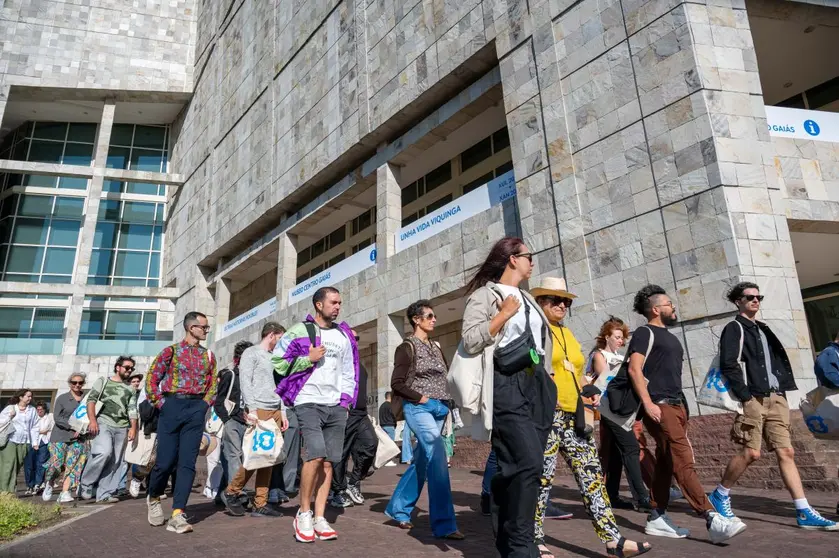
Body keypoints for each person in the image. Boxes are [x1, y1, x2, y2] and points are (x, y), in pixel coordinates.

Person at [531, 279, 651, 558]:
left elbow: (577, 372)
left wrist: (591, 389)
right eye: (555, 300)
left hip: (575, 414)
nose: (562, 305)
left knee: (592, 476)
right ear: (540, 302)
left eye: (566, 301)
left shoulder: (567, 333)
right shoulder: (535, 330)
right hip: (547, 414)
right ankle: (533, 539)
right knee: (542, 479)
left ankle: (613, 541)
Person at [708, 282, 837, 530]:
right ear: (738, 301)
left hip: (777, 397)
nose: (756, 300)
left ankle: (803, 511)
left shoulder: (763, 329)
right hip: (753, 398)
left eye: (759, 297)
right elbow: (729, 364)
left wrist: (781, 395)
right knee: (751, 453)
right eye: (750, 297)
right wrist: (746, 398)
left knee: (786, 452)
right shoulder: (735, 328)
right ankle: (720, 494)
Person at [624, 285, 743, 543]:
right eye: (669, 304)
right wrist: (648, 403)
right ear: (656, 309)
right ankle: (711, 516)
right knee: (682, 457)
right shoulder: (645, 333)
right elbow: (634, 369)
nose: (673, 307)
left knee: (667, 460)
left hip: (677, 406)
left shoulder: (669, 336)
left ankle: (656, 516)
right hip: (659, 406)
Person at [461, 237, 556, 558]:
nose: (533, 262)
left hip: (538, 386)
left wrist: (548, 381)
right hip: (506, 382)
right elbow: (470, 339)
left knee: (523, 467)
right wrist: (502, 315)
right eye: (529, 256)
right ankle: (520, 546)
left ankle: (513, 539)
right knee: (528, 462)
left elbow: (541, 344)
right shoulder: (486, 295)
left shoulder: (529, 299)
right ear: (513, 259)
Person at [272, 286, 359, 543]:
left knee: (330, 462)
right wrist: (306, 359)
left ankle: (320, 516)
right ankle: (304, 513)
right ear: (319, 305)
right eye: (333, 302)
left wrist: (345, 401)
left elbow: (349, 370)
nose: (338, 307)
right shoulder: (300, 331)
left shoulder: (344, 335)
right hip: (307, 401)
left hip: (336, 405)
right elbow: (277, 362)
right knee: (316, 455)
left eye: (339, 302)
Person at [386, 300, 463, 540]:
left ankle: (399, 508)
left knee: (422, 461)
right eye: (428, 316)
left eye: (434, 315)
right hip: (419, 408)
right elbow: (397, 383)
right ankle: (445, 524)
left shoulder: (435, 346)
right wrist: (422, 399)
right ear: (416, 320)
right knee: (438, 457)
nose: (434, 319)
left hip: (440, 409)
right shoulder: (406, 347)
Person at [145, 311, 218, 534]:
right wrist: (161, 404)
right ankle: (154, 496)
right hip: (172, 406)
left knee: (187, 463)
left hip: (195, 409)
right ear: (191, 327)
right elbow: (151, 379)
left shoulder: (208, 356)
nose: (206, 331)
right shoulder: (171, 351)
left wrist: (204, 405)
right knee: (165, 462)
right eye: (203, 327)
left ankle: (178, 513)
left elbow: (213, 384)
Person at [222, 322, 288, 518]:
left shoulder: (276, 357)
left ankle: (260, 502)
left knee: (269, 457)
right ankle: (232, 490)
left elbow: (281, 385)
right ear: (271, 335)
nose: (281, 342)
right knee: (256, 455)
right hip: (259, 409)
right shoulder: (251, 353)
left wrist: (283, 411)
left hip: (275, 410)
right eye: (280, 338)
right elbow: (245, 382)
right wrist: (251, 409)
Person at [591, 317, 652, 511]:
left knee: (616, 453)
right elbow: (606, 382)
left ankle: (612, 495)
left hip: (624, 411)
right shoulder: (599, 355)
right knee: (631, 448)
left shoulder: (621, 357)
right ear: (606, 337)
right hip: (610, 410)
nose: (621, 341)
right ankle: (642, 497)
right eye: (617, 337)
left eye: (622, 338)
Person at [80, 356, 139, 503]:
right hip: (103, 422)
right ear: (118, 367)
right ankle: (86, 483)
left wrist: (133, 428)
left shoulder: (130, 388)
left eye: (131, 368)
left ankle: (104, 494)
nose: (129, 370)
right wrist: (93, 420)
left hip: (122, 426)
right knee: (103, 452)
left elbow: (132, 409)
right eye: (127, 367)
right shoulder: (103, 381)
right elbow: (91, 400)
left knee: (116, 460)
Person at [330, 330, 377, 508]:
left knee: (371, 444)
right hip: (346, 413)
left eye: (357, 338)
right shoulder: (339, 362)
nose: (355, 341)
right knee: (341, 454)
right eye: (352, 338)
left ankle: (353, 482)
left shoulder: (358, 363)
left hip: (361, 414)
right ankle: (337, 492)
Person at [214, 340, 253, 500]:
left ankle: (222, 494)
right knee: (234, 456)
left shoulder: (253, 378)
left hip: (249, 423)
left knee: (239, 458)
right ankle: (235, 494)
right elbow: (218, 402)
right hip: (233, 421)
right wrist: (227, 420)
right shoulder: (230, 375)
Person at [42, 374, 90, 503]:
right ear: (69, 383)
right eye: (74, 382)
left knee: (73, 464)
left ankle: (65, 492)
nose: (77, 385)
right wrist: (73, 427)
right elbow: (57, 418)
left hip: (79, 438)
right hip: (60, 436)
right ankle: (50, 483)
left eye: (80, 382)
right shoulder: (62, 398)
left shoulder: (87, 399)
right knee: (56, 464)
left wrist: (84, 429)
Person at [0, 389, 39, 494]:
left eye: (31, 396)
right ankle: (4, 490)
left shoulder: (32, 410)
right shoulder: (11, 408)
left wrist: (35, 442)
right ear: (21, 397)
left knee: (17, 466)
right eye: (28, 396)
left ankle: (9, 489)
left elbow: (35, 426)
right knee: (9, 464)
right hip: (10, 440)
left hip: (24, 442)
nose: (30, 398)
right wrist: (10, 416)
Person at [24, 401, 53, 495]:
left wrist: (40, 431)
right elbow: (30, 429)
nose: (39, 411)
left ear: (45, 410)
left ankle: (38, 484)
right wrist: (41, 431)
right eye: (38, 409)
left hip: (44, 442)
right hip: (31, 442)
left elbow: (50, 429)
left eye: (41, 409)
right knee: (29, 465)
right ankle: (29, 485)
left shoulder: (49, 418)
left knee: (40, 464)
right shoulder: (32, 417)